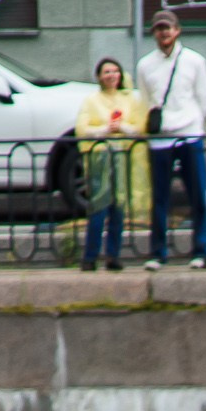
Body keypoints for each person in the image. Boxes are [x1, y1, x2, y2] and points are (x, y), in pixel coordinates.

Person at [137, 6, 206, 270]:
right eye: (158, 29)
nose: (163, 33)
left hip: (189, 135)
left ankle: (202, 250)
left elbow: (204, 96)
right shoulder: (146, 65)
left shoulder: (194, 61)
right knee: (160, 198)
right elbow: (145, 100)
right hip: (161, 139)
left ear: (177, 30)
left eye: (167, 28)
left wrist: (193, 122)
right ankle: (158, 252)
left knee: (197, 195)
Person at [75, 57, 147, 273]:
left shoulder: (130, 99)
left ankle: (113, 255)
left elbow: (139, 126)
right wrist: (104, 130)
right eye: (107, 72)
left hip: (123, 155)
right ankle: (90, 255)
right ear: (99, 77)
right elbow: (81, 128)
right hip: (101, 156)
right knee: (98, 207)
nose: (112, 75)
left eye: (115, 71)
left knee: (118, 208)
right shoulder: (91, 100)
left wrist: (122, 128)